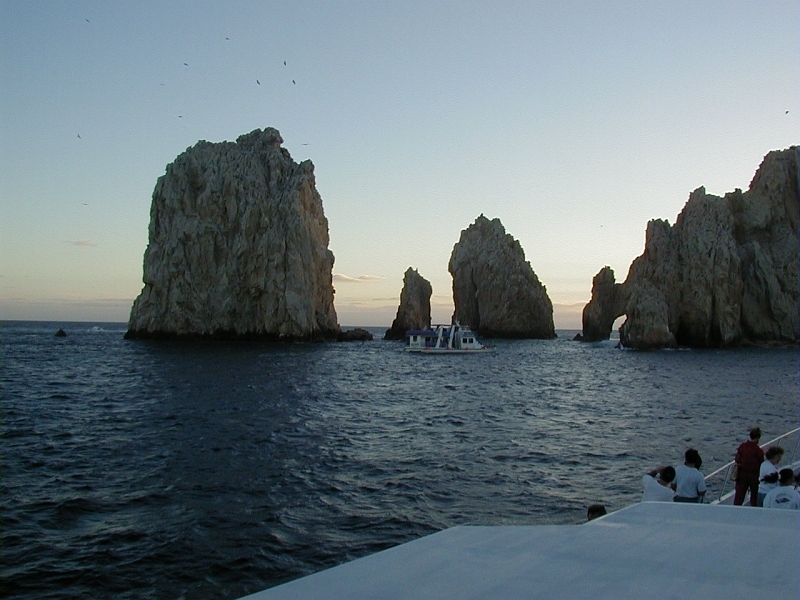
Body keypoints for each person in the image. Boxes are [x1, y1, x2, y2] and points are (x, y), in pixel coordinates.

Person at [733, 427, 765, 506]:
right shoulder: (759, 450)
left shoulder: (742, 446)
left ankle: (735, 511)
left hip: (742, 475)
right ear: (758, 437)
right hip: (754, 476)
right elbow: (761, 463)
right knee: (754, 498)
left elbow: (737, 460)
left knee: (738, 497)